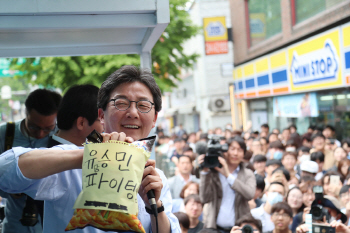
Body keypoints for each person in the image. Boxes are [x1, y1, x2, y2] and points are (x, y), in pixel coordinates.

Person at [0, 66, 181, 233]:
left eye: (143, 105)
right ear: (101, 115)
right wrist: (90, 156)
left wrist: (155, 205)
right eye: (121, 103)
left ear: (155, 118)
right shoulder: (71, 164)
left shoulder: (155, 177)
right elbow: (5, 171)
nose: (133, 113)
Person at [0, 88, 62, 233]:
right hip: (15, 224)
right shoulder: (5, 134)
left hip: (51, 224)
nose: (41, 134)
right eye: (34, 127)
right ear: (25, 113)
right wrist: (9, 190)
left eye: (48, 128)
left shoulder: (60, 136)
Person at [199, 137, 256, 231]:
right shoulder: (214, 172)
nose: (235, 153)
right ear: (225, 151)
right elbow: (204, 198)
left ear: (244, 153)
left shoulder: (248, 173)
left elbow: (250, 194)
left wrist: (228, 176)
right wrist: (205, 172)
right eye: (232, 149)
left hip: (238, 228)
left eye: (239, 150)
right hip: (215, 227)